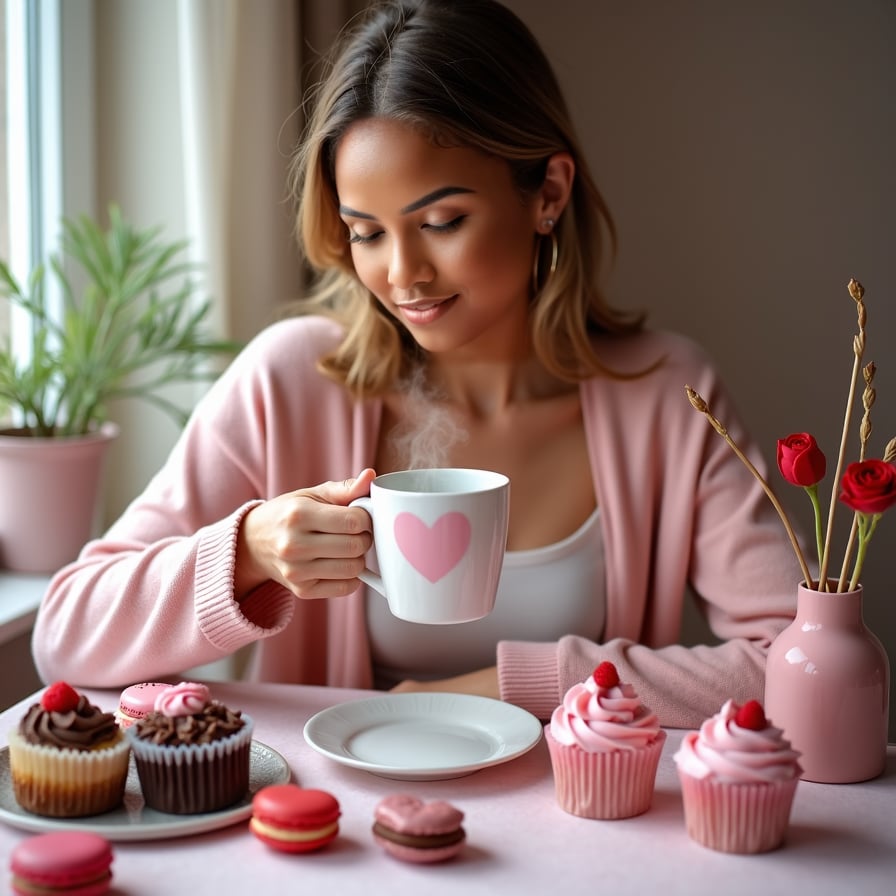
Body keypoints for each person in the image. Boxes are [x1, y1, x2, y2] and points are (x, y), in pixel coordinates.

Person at [32, 0, 800, 729]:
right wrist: (249, 550)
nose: (404, 274)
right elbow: (65, 637)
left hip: (581, 829)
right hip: (344, 845)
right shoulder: (291, 380)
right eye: (366, 232)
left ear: (548, 193)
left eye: (441, 222)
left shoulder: (668, 395)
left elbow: (795, 666)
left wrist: (512, 686)